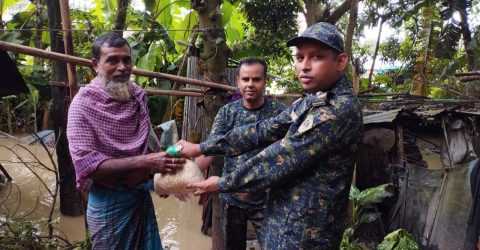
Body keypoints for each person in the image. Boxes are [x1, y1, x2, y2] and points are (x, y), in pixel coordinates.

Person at [180, 22, 363, 249]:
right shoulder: (312, 100)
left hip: (305, 235)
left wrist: (223, 182)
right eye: (299, 57)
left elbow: (278, 159)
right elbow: (266, 129)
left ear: (341, 61)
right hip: (277, 220)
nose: (304, 66)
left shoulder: (335, 112)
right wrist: (200, 149)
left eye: (316, 57)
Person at [66, 32, 185, 250]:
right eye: (112, 60)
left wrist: (163, 175)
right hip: (108, 204)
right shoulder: (82, 105)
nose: (122, 67)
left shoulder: (137, 96)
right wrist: (148, 162)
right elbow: (87, 166)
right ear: (95, 65)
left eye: (126, 59)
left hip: (140, 197)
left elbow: (149, 143)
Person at [195, 58, 286, 250]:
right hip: (232, 197)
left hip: (268, 199)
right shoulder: (228, 112)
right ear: (237, 81)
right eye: (245, 79)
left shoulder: (279, 114)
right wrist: (187, 175)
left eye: (256, 79)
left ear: (265, 81)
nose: (250, 84)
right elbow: (212, 148)